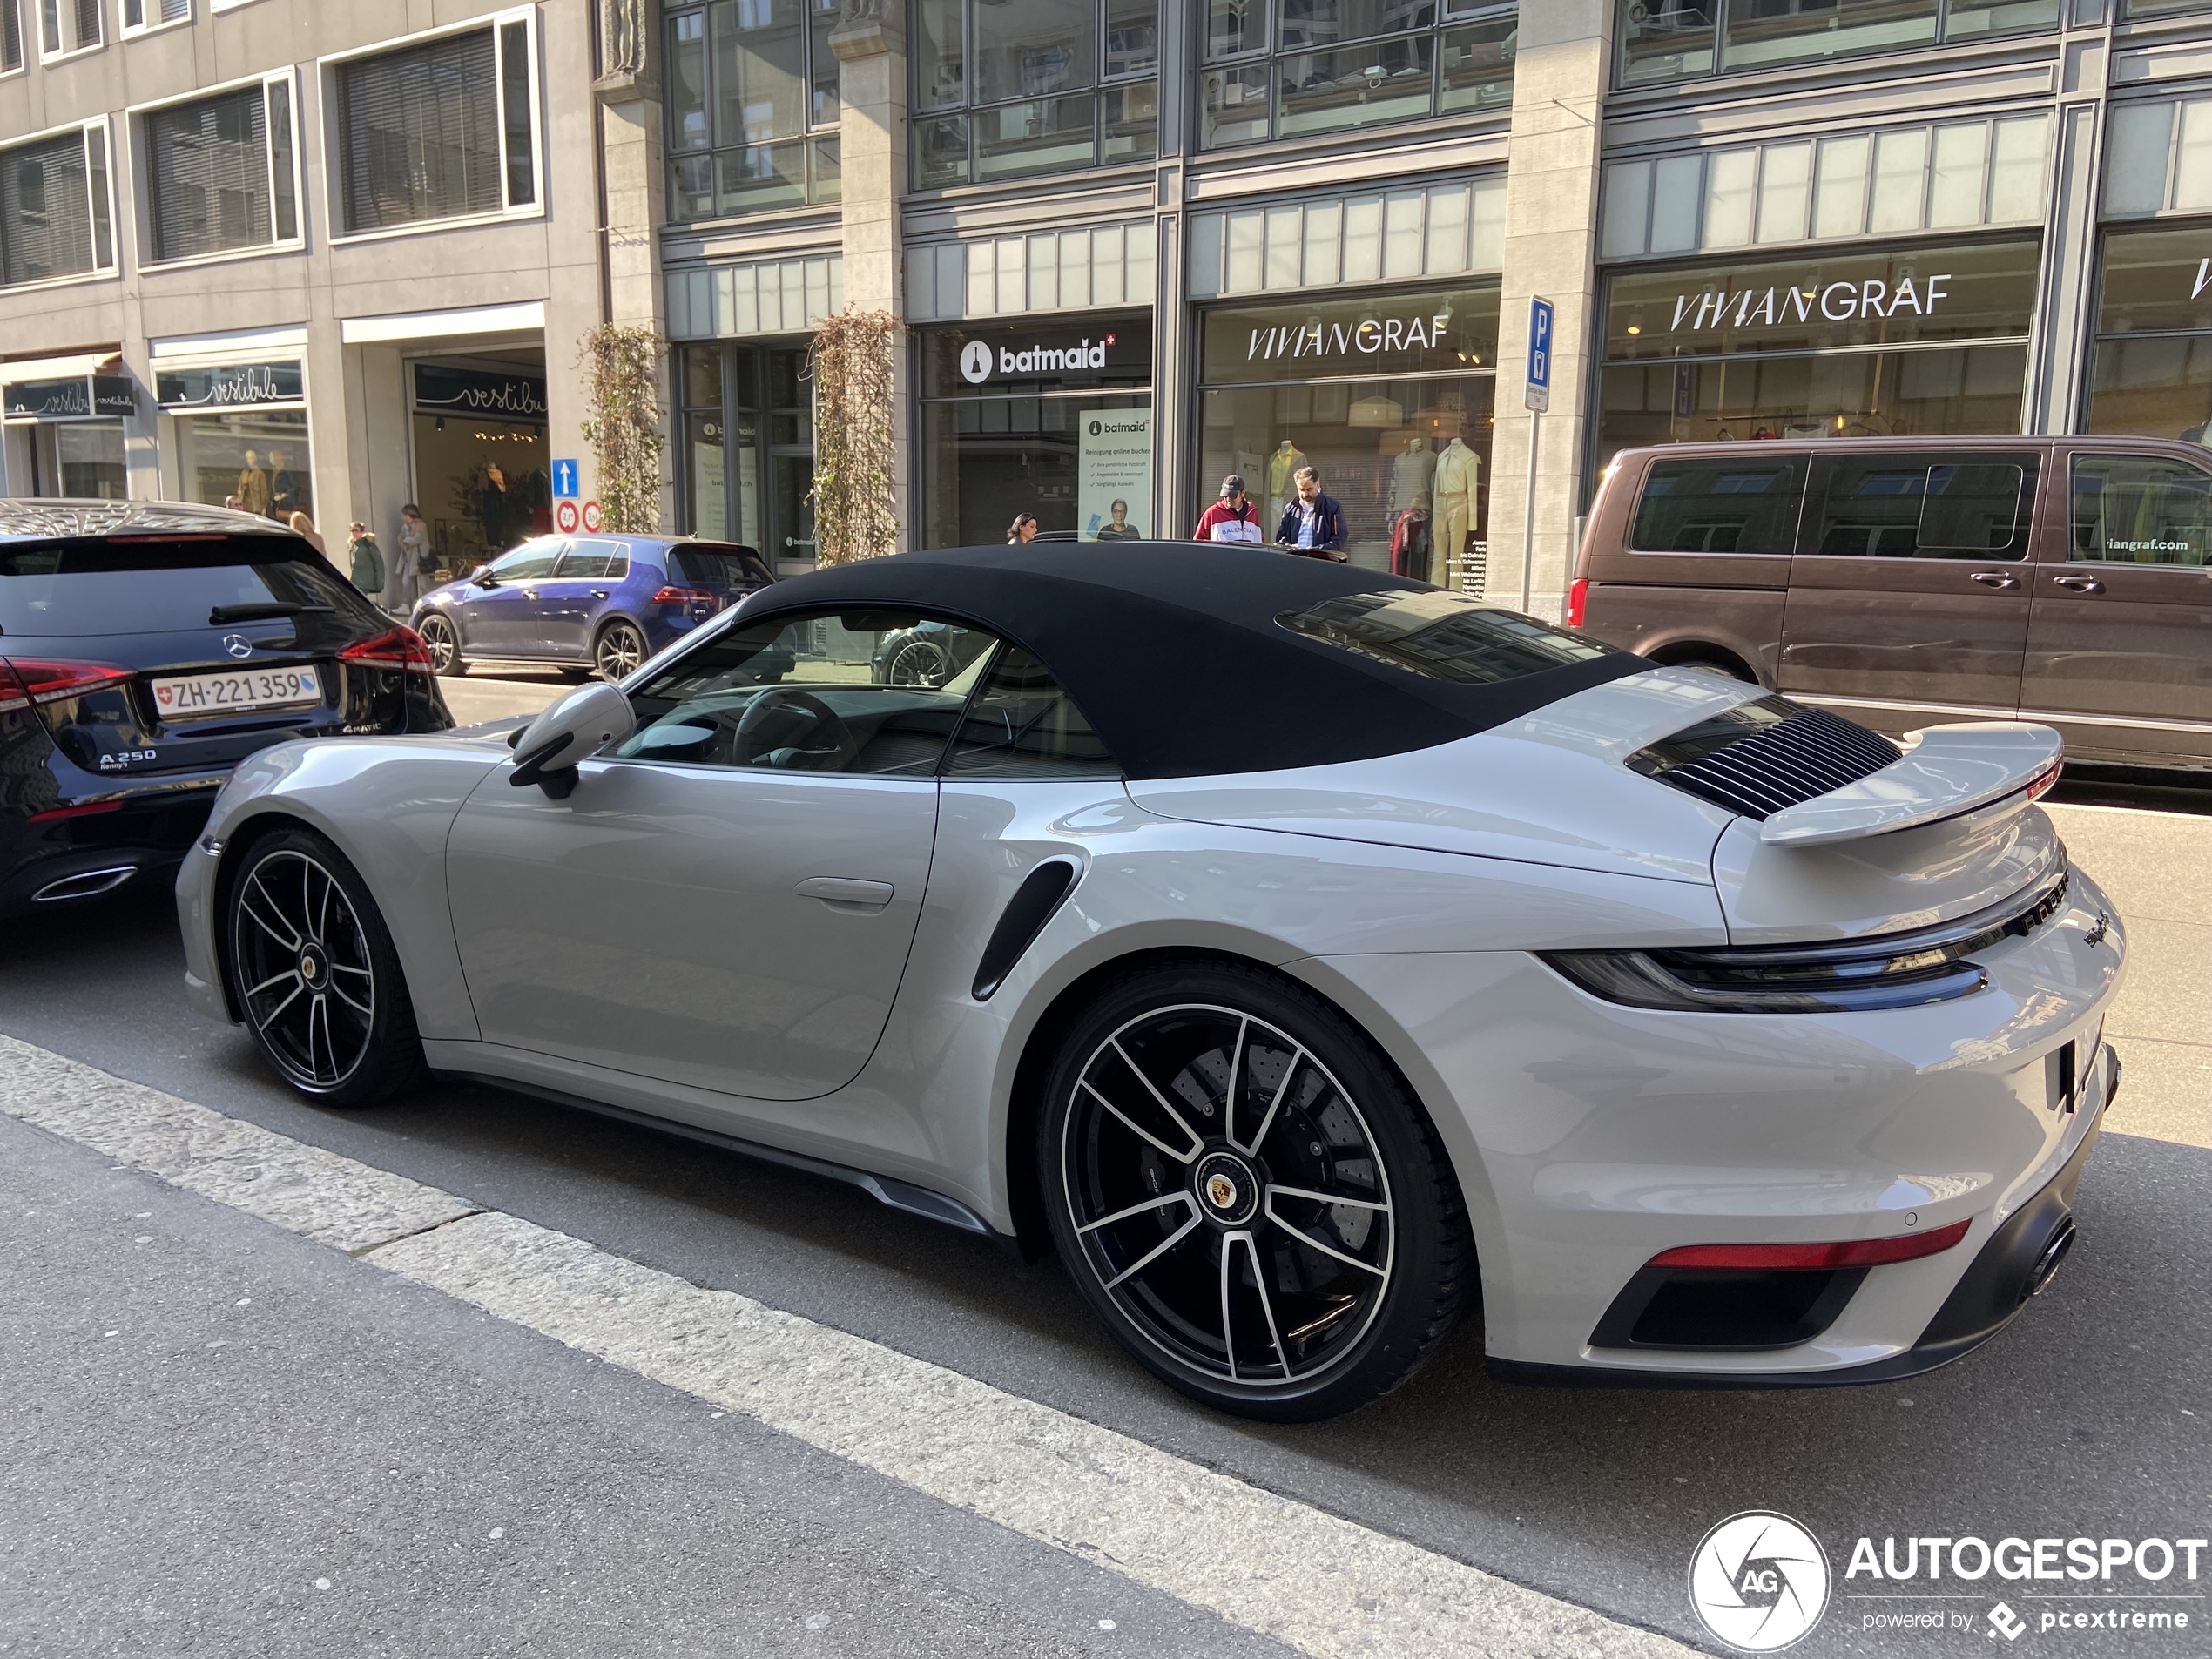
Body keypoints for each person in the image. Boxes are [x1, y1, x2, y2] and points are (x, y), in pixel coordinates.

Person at [1274, 466, 1347, 562]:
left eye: (1309, 489)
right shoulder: (1290, 508)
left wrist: (1316, 551)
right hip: (1294, 562)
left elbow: (1339, 539)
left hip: (1322, 563)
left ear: (1318, 484)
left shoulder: (1332, 507)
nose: (1305, 495)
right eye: (1301, 490)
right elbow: (1281, 539)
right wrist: (1291, 548)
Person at [1192, 475, 1264, 544]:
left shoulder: (1253, 513)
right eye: (1225, 496)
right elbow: (1198, 544)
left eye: (1232, 496)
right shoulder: (1212, 513)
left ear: (1243, 493)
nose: (1228, 500)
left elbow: (1259, 541)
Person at [396, 503, 433, 609]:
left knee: (423, 585)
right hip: (409, 557)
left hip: (421, 559)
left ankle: (428, 604)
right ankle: (405, 605)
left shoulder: (421, 525)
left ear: (411, 515)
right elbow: (400, 539)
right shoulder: (405, 527)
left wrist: (406, 542)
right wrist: (404, 543)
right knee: (405, 581)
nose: (404, 518)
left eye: (406, 515)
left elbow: (417, 539)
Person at [346, 522, 385, 601]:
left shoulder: (369, 546)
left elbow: (379, 564)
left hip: (365, 581)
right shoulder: (352, 546)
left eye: (356, 531)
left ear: (362, 532)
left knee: (359, 600)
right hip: (355, 580)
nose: (354, 533)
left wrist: (379, 583)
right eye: (352, 531)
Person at [481, 464, 509, 553]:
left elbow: (481, 488)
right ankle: (494, 541)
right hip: (492, 502)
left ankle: (496, 541)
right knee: (492, 522)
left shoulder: (495, 473)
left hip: (494, 502)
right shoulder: (484, 473)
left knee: (495, 522)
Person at [234, 451, 270, 518]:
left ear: (255, 458)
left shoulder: (260, 474)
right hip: (244, 505)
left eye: (251, 458)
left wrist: (264, 507)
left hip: (256, 506)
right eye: (248, 458)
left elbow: (264, 492)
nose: (249, 460)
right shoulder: (244, 473)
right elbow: (240, 489)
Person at [267, 449, 300, 521]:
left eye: (272, 458)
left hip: (285, 507)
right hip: (275, 508)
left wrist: (283, 495)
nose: (270, 460)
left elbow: (295, 487)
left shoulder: (286, 473)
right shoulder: (274, 473)